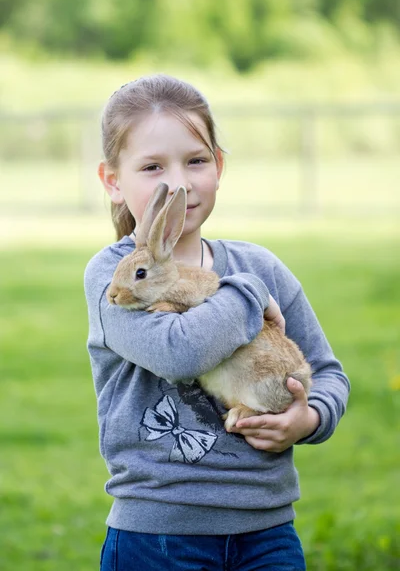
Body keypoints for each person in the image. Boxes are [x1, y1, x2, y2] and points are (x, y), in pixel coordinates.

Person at [84, 74, 350, 570]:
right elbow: (179, 354)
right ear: (113, 181)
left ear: (219, 165)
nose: (180, 182)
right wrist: (246, 293)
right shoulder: (113, 279)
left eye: (197, 161)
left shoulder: (262, 264)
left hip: (266, 528)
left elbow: (327, 372)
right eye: (152, 166)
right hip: (159, 533)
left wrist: (306, 419)